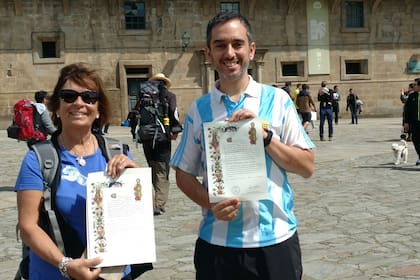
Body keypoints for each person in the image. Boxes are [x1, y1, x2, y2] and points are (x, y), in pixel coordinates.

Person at [170, 12, 315, 280]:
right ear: (208, 53)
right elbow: (183, 173)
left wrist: (267, 138)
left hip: (276, 242)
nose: (229, 53)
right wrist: (210, 203)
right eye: (220, 45)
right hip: (217, 246)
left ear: (251, 50)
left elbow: (306, 166)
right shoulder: (200, 109)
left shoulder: (278, 100)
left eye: (237, 44)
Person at [14, 63, 151, 279]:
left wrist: (136, 176)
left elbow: (144, 212)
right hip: (55, 273)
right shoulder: (39, 159)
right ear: (57, 108)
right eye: (69, 96)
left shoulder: (116, 152)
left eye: (89, 97)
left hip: (111, 273)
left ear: (98, 110)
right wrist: (65, 265)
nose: (79, 103)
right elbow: (28, 227)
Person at [136, 73, 181, 216]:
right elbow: (174, 113)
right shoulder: (170, 96)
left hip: (146, 137)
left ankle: (153, 200)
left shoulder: (144, 96)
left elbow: (135, 114)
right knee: (162, 170)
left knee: (153, 167)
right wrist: (175, 130)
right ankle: (159, 204)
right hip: (163, 138)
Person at [403, 78, 420, 165]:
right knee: (415, 139)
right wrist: (406, 122)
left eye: (415, 85)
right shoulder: (412, 96)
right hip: (415, 122)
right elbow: (407, 110)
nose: (414, 86)